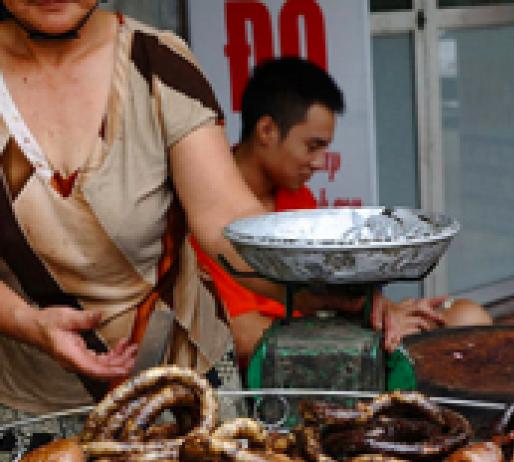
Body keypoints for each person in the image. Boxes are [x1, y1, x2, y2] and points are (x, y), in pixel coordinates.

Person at [0, 2, 440, 417]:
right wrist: (26, 322)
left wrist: (338, 291)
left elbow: (227, 223)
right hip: (34, 411)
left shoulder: (157, 64)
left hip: (187, 396)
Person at [192, 57, 491, 367]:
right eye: (312, 146)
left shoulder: (298, 198)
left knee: (467, 316)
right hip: (284, 362)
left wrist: (388, 313)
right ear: (266, 130)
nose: (321, 163)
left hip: (337, 333)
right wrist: (368, 333)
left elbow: (328, 293)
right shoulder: (208, 217)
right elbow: (242, 337)